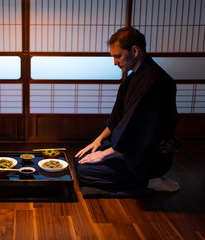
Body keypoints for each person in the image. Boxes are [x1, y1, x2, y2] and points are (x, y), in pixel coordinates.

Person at [74, 27, 180, 192]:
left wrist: (106, 154)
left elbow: (143, 132)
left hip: (148, 157)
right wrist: (98, 141)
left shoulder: (156, 81)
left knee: (83, 172)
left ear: (135, 51)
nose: (115, 63)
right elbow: (117, 117)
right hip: (125, 147)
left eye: (118, 56)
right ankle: (146, 177)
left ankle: (149, 181)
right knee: (79, 159)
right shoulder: (131, 80)